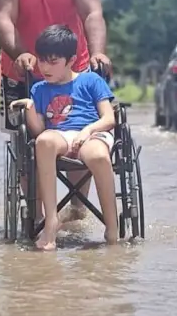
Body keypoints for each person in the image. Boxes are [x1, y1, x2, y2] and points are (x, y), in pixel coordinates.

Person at [0, 0, 111, 222]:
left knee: (79, 136)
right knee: (28, 143)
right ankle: (39, 215)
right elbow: (3, 17)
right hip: (23, 67)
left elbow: (92, 11)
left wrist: (98, 51)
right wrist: (21, 54)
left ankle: (77, 207)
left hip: (74, 66)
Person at [9, 24, 119, 251]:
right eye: (41, 60)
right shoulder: (39, 89)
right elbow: (39, 131)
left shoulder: (91, 81)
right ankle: (51, 221)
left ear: (70, 60)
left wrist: (87, 132)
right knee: (44, 141)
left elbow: (109, 118)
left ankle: (112, 226)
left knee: (98, 155)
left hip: (92, 131)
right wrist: (30, 108)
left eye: (53, 61)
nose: (45, 67)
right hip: (59, 135)